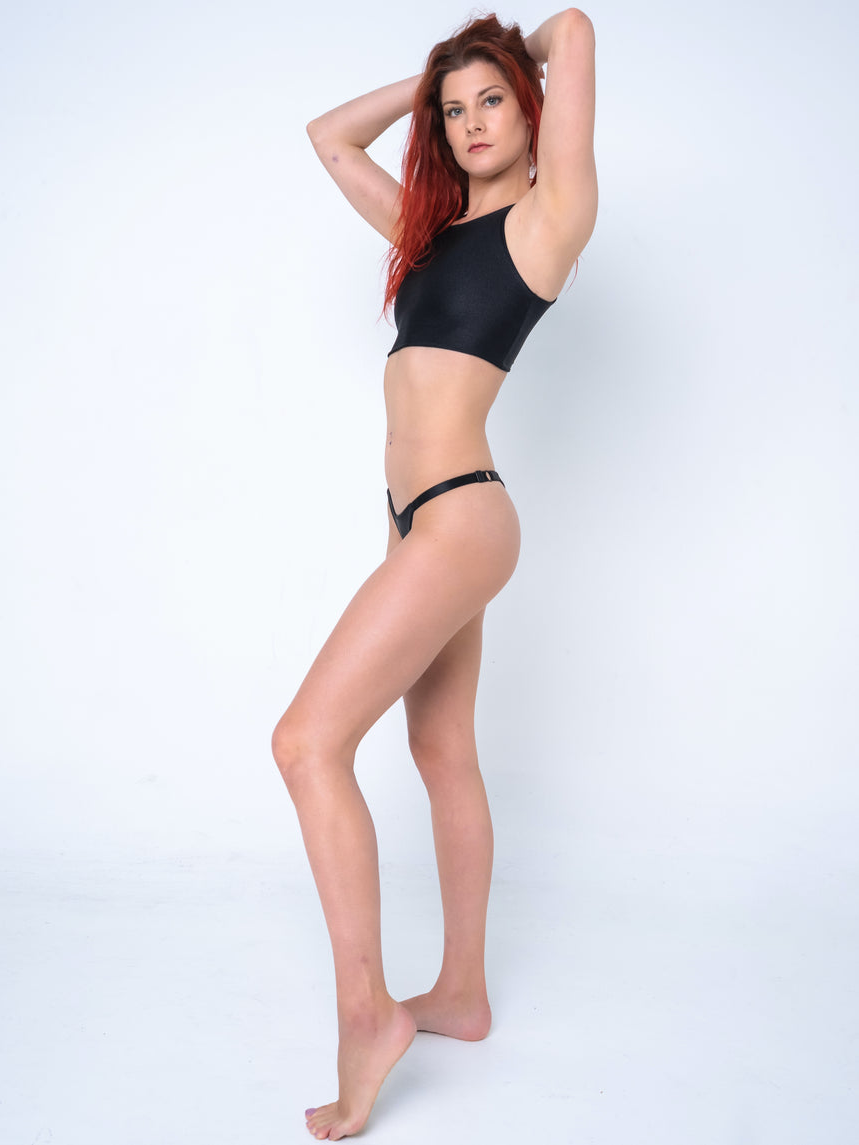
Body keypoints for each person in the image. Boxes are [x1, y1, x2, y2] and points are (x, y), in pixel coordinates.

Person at [272, 10, 597, 1140]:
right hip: (417, 520)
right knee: (440, 747)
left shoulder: (551, 217)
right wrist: (431, 81)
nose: (471, 123)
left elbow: (572, 25)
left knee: (305, 744)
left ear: (531, 109)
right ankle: (460, 992)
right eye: (454, 112)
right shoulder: (430, 231)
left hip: (461, 514)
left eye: (491, 101)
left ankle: (367, 1016)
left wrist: (513, 55)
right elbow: (327, 137)